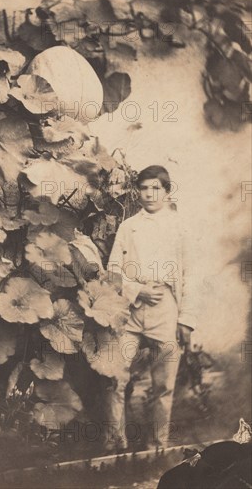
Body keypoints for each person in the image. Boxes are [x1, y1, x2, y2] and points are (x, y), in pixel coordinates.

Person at [103, 165, 197, 453]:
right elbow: (113, 271)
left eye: (155, 188)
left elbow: (191, 273)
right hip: (131, 308)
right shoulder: (128, 226)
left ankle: (157, 448)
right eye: (143, 188)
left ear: (166, 191)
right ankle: (114, 447)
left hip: (166, 307)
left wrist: (186, 320)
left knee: (163, 385)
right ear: (137, 191)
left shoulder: (180, 227)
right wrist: (136, 290)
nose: (149, 194)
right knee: (114, 377)